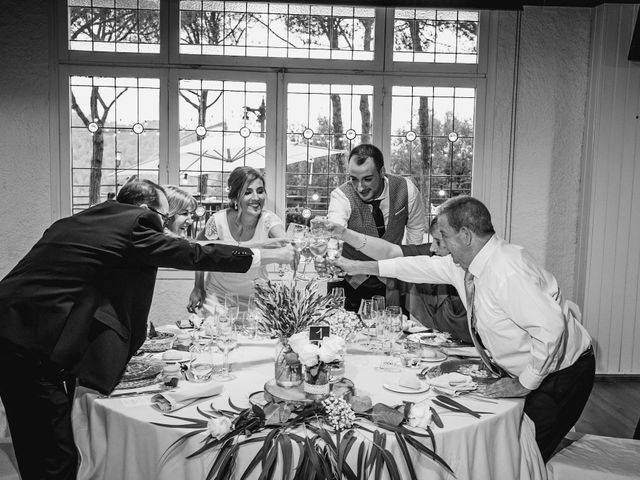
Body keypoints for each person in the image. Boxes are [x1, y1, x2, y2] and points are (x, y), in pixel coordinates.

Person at [0, 178, 295, 480]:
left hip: (16, 328)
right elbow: (191, 254)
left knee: (38, 443)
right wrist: (267, 256)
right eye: (165, 218)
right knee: (53, 456)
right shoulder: (137, 222)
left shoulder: (81, 221)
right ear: (144, 209)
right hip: (28, 344)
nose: (165, 227)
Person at [336, 195, 594, 461]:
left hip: (561, 377)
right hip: (534, 370)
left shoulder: (506, 271)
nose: (440, 247)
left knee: (520, 458)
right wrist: (358, 266)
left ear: (466, 235)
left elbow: (551, 328)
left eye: (444, 236)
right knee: (503, 447)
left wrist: (524, 383)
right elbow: (418, 266)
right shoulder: (468, 264)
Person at [327, 217, 471, 343]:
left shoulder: (478, 271)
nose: (433, 247)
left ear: (465, 238)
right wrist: (344, 234)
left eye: (439, 241)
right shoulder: (436, 255)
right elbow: (390, 253)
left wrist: (355, 266)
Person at [327, 143, 426, 311]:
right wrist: (331, 255)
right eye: (354, 179)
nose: (360, 187)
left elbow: (415, 229)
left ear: (381, 172)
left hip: (391, 280)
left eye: (367, 179)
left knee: (392, 331)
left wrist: (409, 269)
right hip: (350, 281)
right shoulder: (341, 196)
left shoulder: (406, 190)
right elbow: (334, 231)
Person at [188, 166, 287, 313]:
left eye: (260, 191)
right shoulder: (218, 221)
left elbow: (287, 244)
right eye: (247, 192)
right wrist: (198, 286)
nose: (256, 198)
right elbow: (199, 251)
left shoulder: (269, 220)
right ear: (235, 197)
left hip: (258, 300)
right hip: (218, 298)